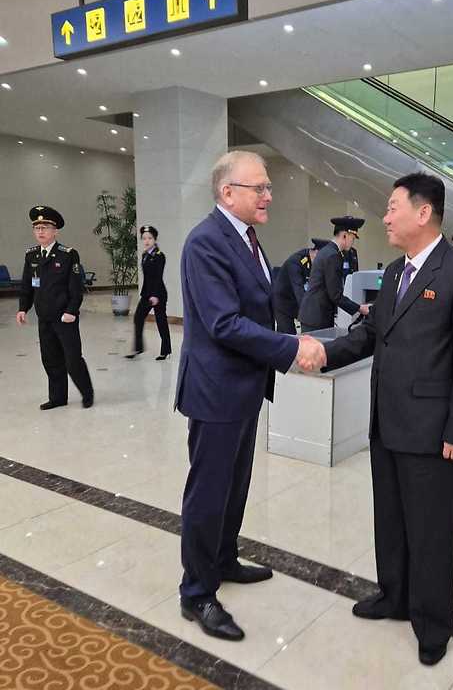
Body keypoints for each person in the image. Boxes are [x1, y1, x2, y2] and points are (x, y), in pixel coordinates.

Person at [297, 173, 453, 666]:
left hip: (433, 433)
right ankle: (394, 595)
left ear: (423, 212)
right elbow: (370, 335)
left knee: (430, 530)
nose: (383, 218)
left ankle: (432, 622)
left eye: (391, 208)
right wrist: (323, 351)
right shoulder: (395, 271)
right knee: (391, 520)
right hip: (386, 424)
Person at [175, 150, 321, 642]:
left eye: (267, 187)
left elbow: (261, 306)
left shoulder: (247, 237)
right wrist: (291, 348)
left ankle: (223, 559)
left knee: (235, 484)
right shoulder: (205, 243)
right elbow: (224, 323)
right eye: (258, 187)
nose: (268, 195)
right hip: (215, 390)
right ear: (227, 192)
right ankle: (196, 592)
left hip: (244, 385)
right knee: (208, 490)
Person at [16, 206, 94, 410]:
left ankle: (87, 393)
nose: (40, 231)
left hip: (64, 318)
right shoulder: (32, 256)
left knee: (72, 360)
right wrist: (23, 308)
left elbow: (76, 289)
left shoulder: (67, 255)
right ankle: (58, 397)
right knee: (50, 359)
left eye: (45, 227)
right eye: (37, 228)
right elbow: (27, 285)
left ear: (55, 230)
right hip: (44, 318)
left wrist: (71, 311)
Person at [298, 216, 369, 332]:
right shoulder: (333, 256)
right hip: (318, 317)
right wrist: (360, 308)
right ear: (345, 235)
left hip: (313, 315)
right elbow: (335, 295)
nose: (353, 242)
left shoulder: (327, 251)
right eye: (353, 238)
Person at [125, 225, 172, 360]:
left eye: (150, 238)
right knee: (138, 318)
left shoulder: (159, 256)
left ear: (155, 239)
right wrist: (147, 293)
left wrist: (155, 295)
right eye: (144, 238)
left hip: (158, 294)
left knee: (160, 320)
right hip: (146, 293)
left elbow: (158, 276)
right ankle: (138, 348)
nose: (146, 241)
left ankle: (166, 350)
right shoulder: (145, 255)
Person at [273, 238, 330, 334]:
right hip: (283, 303)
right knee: (288, 335)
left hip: (298, 302)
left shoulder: (317, 264)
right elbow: (299, 291)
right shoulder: (295, 262)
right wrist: (309, 315)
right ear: (317, 253)